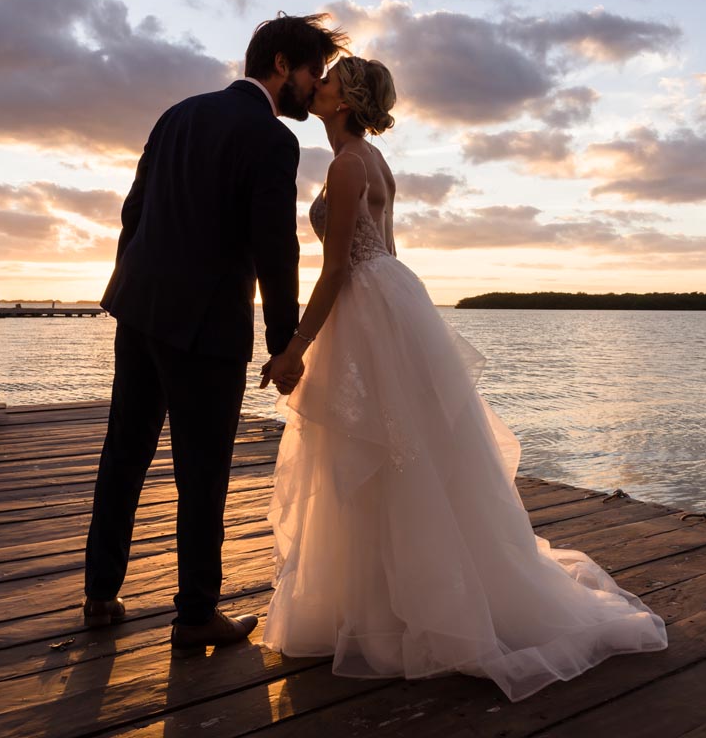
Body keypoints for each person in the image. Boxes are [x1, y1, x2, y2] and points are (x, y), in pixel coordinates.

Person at [261, 57, 669, 701]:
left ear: (345, 101)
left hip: (367, 308)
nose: (318, 86)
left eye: (330, 81)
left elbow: (337, 267)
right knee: (401, 454)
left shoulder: (345, 165)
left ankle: (402, 613)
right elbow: (378, 253)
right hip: (392, 303)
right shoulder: (373, 162)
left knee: (378, 454)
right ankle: (383, 606)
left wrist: (293, 351)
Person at [84, 14, 347, 656]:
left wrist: (130, 287)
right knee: (202, 474)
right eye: (312, 71)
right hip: (204, 329)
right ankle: (196, 613)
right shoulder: (272, 140)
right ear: (282, 64)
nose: (314, 89)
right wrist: (285, 342)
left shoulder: (178, 113)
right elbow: (273, 249)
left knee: (125, 453)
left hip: (139, 312)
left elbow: (135, 210)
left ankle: (100, 594)